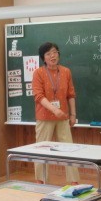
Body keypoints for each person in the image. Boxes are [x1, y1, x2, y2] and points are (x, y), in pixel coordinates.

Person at [31, 42, 79, 184]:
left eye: (54, 52)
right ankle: (41, 181)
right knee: (42, 149)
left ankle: (73, 181)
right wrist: (54, 110)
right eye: (48, 54)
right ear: (43, 58)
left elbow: (71, 95)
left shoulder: (66, 71)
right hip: (44, 117)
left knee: (69, 149)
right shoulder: (38, 73)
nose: (52, 56)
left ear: (58, 54)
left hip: (63, 117)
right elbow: (38, 96)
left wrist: (73, 115)